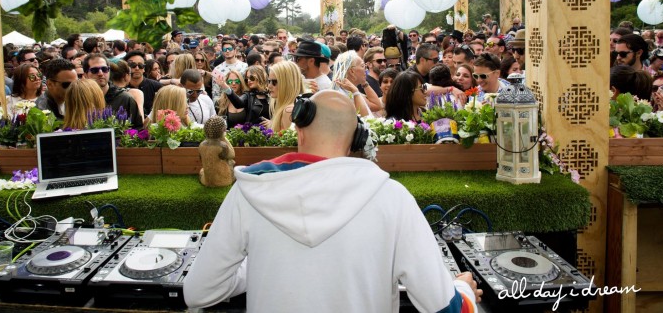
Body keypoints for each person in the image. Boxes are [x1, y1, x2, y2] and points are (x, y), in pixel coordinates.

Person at [183, 90, 480, 312]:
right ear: (357, 140)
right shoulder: (392, 198)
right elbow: (443, 306)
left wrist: (255, 268)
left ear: (298, 131)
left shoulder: (248, 193)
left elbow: (198, 293)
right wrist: (462, 290)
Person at [83, 54, 144, 129]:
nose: (101, 73)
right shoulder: (81, 98)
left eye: (104, 69)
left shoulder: (124, 98)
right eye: (95, 70)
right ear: (85, 74)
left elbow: (138, 129)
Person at [264, 60, 304, 133]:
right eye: (269, 81)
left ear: (287, 83)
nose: (269, 86)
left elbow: (290, 143)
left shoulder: (288, 110)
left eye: (274, 82)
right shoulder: (286, 108)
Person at [331, 51, 375, 117]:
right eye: (363, 66)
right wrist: (356, 92)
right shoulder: (341, 95)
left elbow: (378, 106)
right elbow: (366, 120)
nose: (366, 70)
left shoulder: (350, 90)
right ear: (352, 71)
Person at [125, 51, 163, 117]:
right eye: (133, 65)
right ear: (127, 67)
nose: (137, 68)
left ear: (144, 68)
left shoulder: (156, 87)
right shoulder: (122, 88)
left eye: (140, 65)